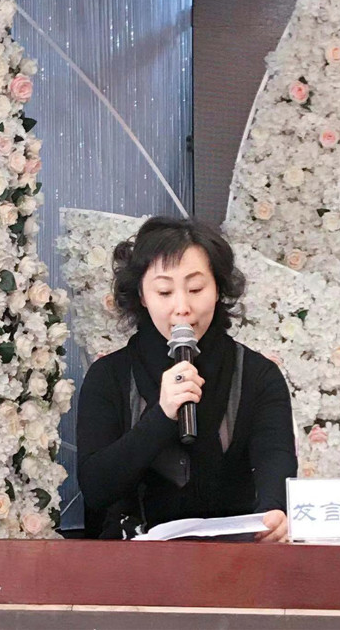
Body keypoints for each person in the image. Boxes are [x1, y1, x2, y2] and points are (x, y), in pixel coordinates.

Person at [77, 217, 297, 540]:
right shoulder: (109, 376)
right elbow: (95, 489)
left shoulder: (258, 375)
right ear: (142, 295)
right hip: (133, 558)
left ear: (218, 288)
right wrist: (162, 415)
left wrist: (275, 516)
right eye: (164, 291)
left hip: (232, 558)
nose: (182, 307)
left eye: (195, 289)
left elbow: (275, 464)